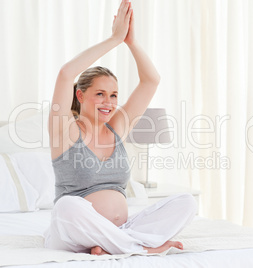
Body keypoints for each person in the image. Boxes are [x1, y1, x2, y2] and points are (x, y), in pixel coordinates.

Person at [44, 0, 196, 255]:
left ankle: (112, 244)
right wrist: (114, 39)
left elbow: (151, 80)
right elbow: (65, 74)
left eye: (114, 95)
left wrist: (131, 42)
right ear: (80, 96)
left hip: (121, 228)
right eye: (100, 94)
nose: (109, 102)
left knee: (187, 202)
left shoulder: (116, 129)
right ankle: (141, 248)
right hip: (72, 231)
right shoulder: (66, 131)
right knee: (67, 207)